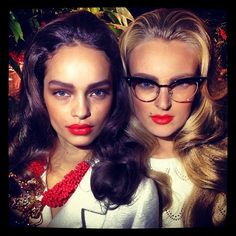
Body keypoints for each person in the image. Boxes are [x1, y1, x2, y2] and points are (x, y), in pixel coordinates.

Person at [8, 10, 160, 228]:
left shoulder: (138, 195)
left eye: (97, 92)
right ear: (39, 93)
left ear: (115, 94)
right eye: (62, 92)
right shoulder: (17, 163)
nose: (81, 111)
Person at [119, 8, 227, 227]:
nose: (163, 103)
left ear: (202, 86)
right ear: (125, 84)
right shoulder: (101, 163)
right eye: (146, 83)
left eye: (181, 83)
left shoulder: (220, 163)